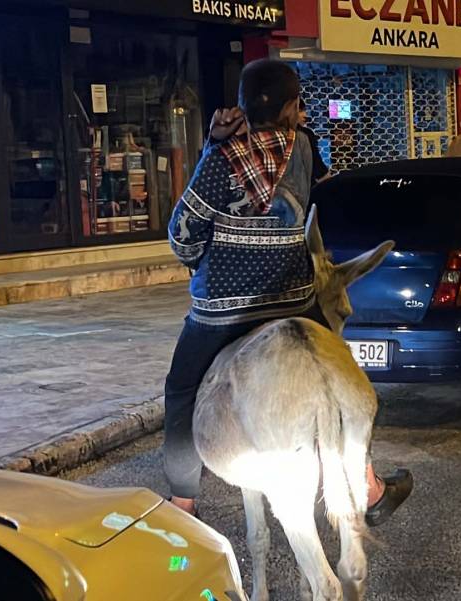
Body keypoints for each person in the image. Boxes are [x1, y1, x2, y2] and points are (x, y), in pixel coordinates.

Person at [164, 59, 412, 525]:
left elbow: (182, 233)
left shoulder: (220, 160)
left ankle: (182, 503)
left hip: (223, 310)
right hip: (293, 297)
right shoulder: (302, 147)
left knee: (180, 388)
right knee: (338, 371)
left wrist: (213, 146)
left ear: (237, 108)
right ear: (294, 107)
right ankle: (369, 485)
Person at [297, 98, 331, 187]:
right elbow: (317, 166)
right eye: (300, 111)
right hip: (306, 190)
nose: (305, 115)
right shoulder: (305, 134)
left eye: (304, 111)